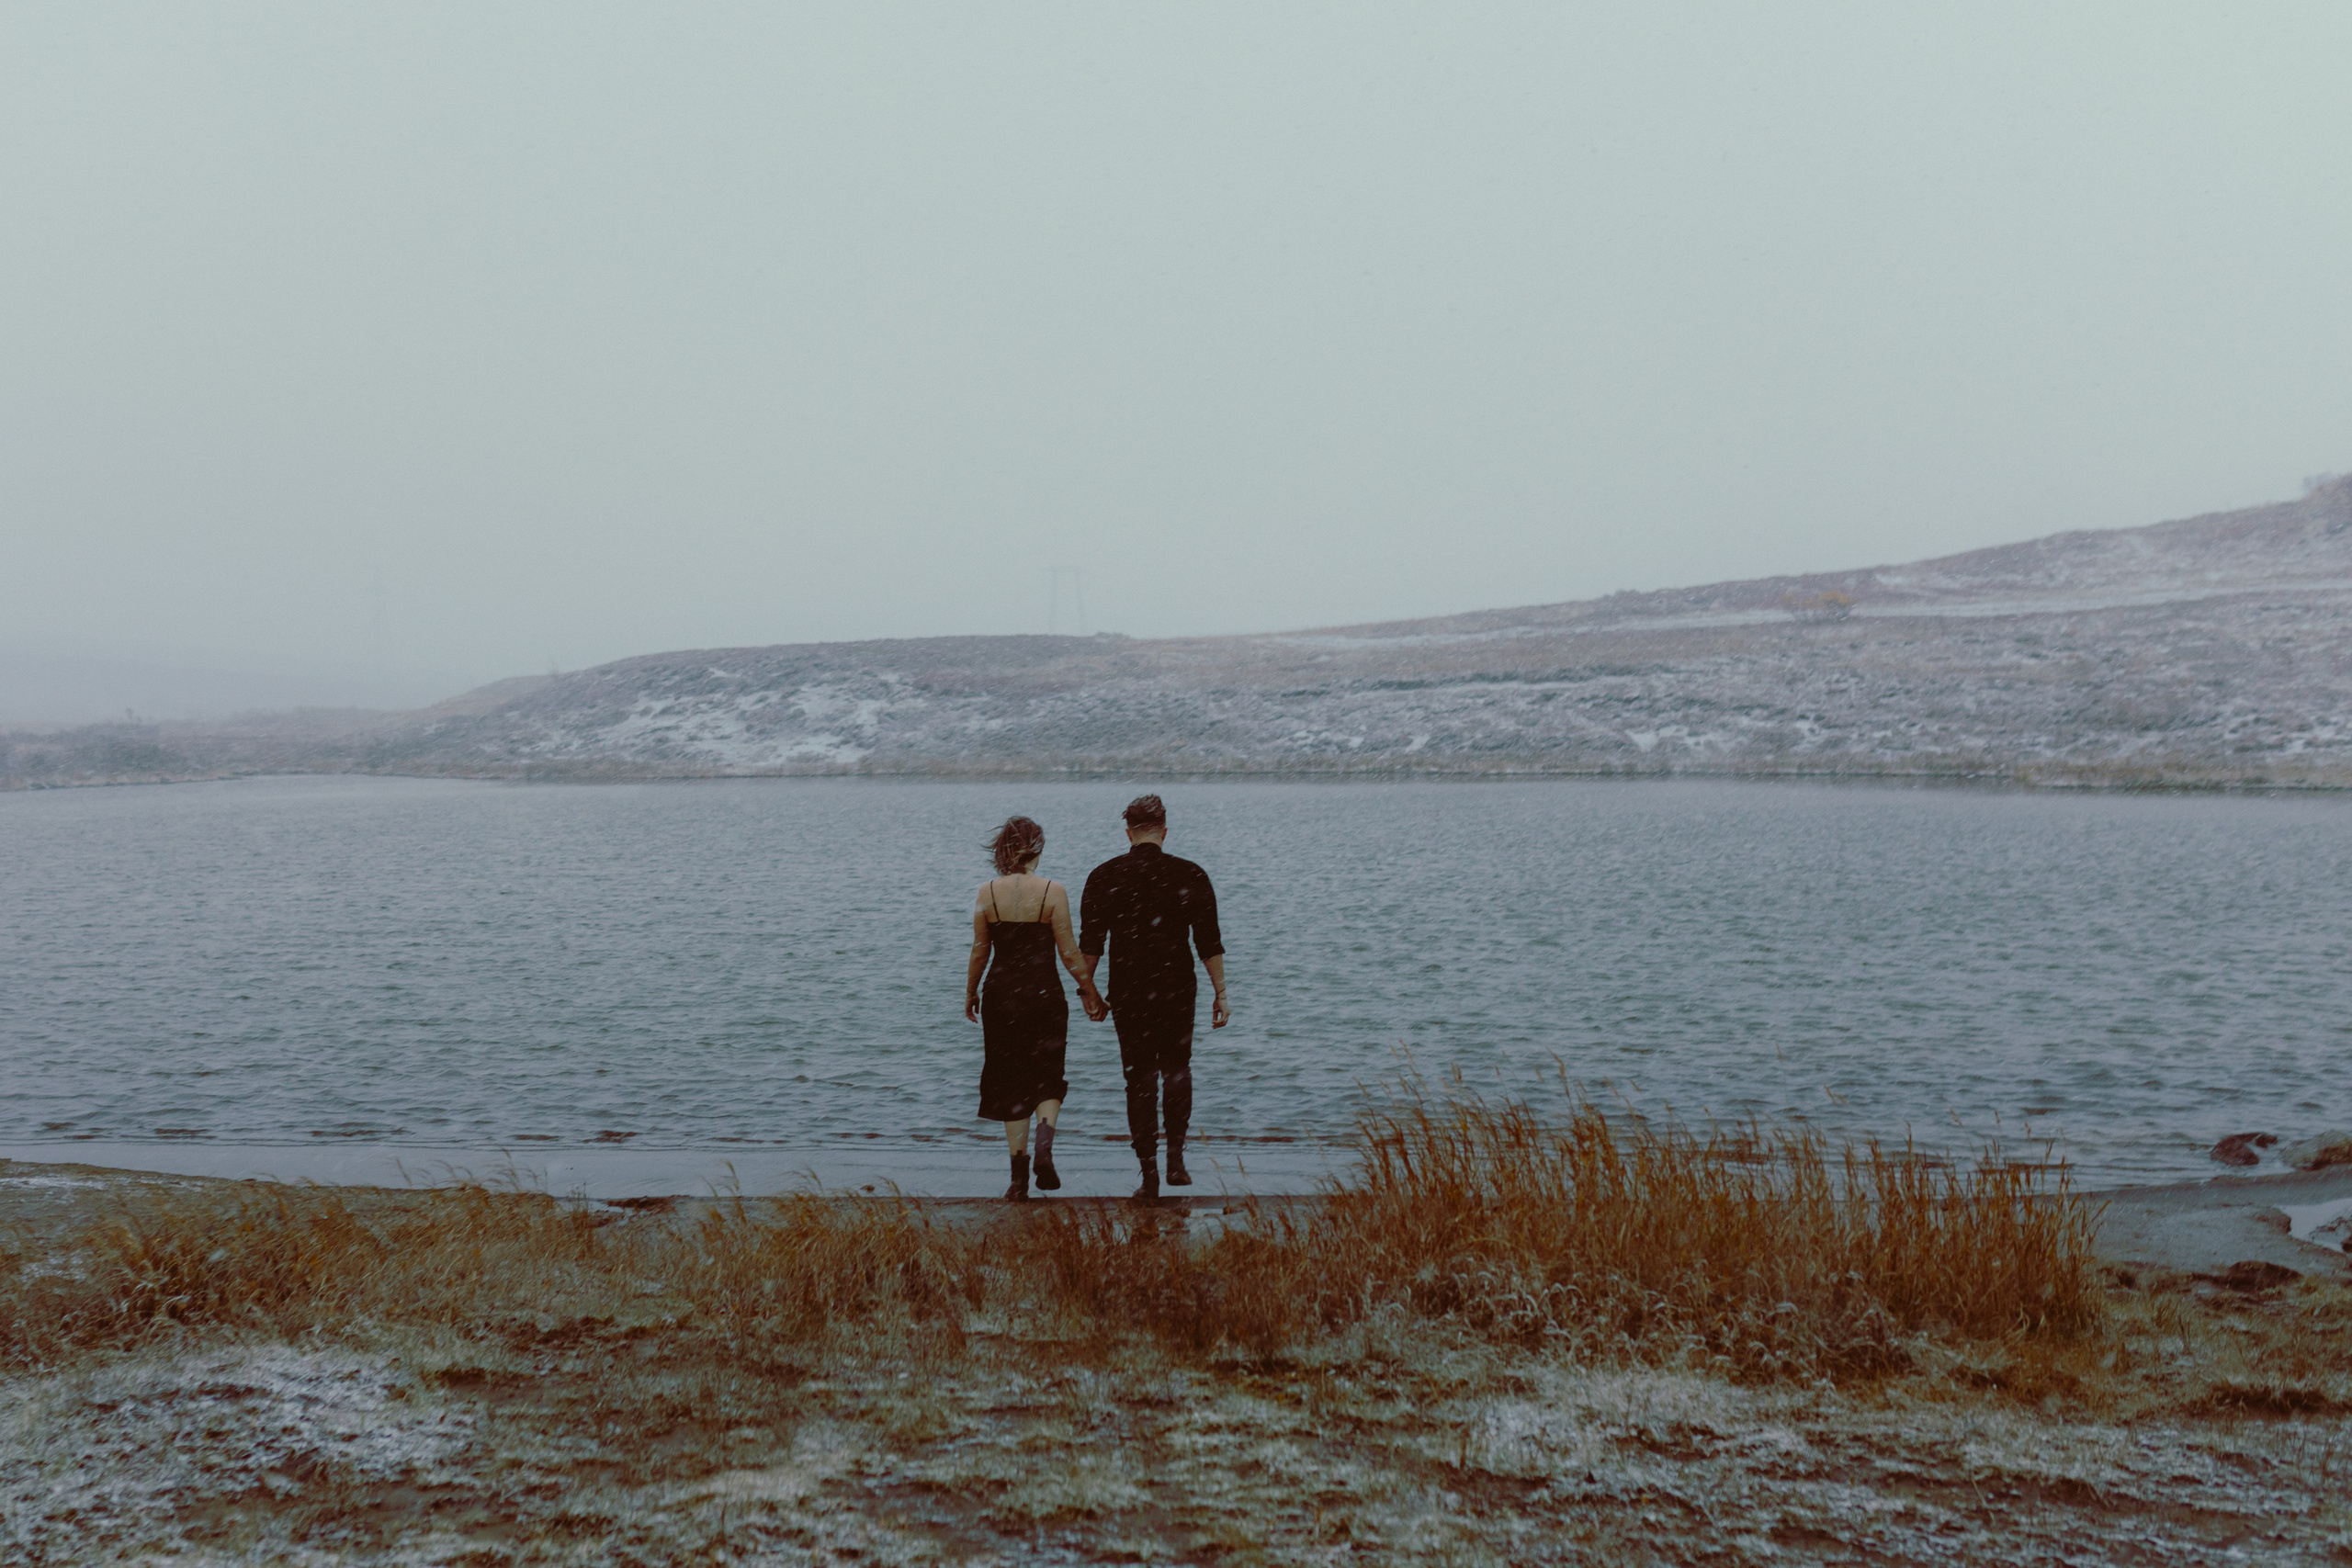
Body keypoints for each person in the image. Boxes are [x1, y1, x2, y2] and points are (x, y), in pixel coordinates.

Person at [1079, 794, 1228, 1201]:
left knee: (1139, 1079)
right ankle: (1176, 1158)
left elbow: (1090, 946)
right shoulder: (1191, 875)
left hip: (1129, 991)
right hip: (1178, 988)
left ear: (1128, 832)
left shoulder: (1104, 876)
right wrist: (1221, 994)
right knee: (1178, 1068)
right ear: (1164, 830)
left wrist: (1088, 992)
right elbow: (1209, 943)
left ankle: (1148, 1176)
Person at [966, 815, 1107, 1201]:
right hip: (1043, 993)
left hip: (1002, 994)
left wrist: (970, 991)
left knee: (1010, 1079)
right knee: (1047, 1073)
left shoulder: (986, 892)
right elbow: (1069, 952)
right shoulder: (1052, 891)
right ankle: (1044, 1145)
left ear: (1003, 851)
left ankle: (1018, 1180)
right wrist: (1090, 991)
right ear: (1037, 848)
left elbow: (981, 950)